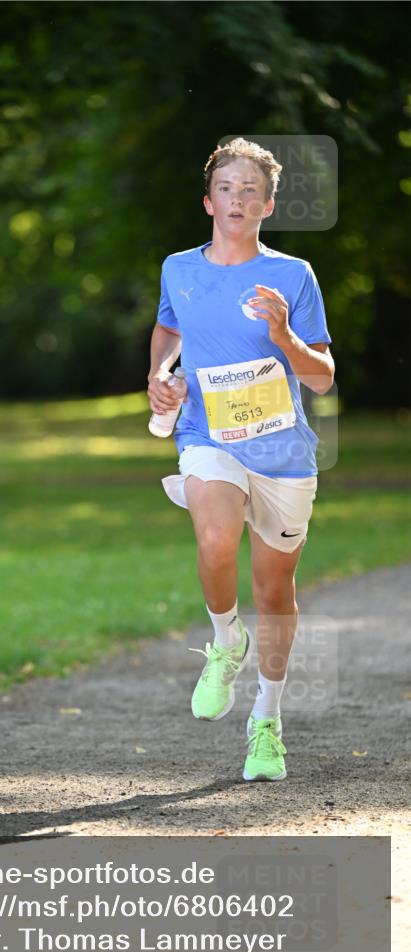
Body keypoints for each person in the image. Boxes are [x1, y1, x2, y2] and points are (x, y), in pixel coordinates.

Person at [147, 137, 335, 782]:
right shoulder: (179, 268)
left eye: (250, 189)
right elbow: (169, 328)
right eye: (227, 188)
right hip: (207, 435)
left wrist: (283, 336)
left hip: (283, 452)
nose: (238, 198)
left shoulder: (293, 275)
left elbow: (322, 378)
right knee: (216, 533)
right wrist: (159, 375)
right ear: (208, 201)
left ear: (268, 204)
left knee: (274, 589)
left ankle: (267, 720)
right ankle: (226, 639)